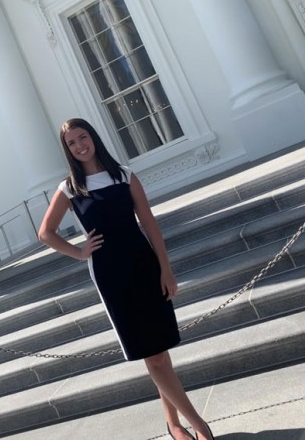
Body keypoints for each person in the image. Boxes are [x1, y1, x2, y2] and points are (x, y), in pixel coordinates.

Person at [39, 118, 215, 440]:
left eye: (83, 137)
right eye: (72, 143)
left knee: (160, 350)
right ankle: (200, 426)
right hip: (112, 277)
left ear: (93, 137)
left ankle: (174, 424)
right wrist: (79, 253)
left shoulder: (124, 175)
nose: (80, 145)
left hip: (145, 266)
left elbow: (149, 223)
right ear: (67, 150)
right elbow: (45, 233)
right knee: (154, 355)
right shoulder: (70, 188)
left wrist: (166, 268)